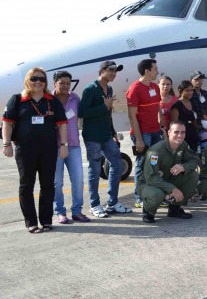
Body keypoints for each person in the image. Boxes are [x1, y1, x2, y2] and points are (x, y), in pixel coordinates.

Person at [2, 67, 68, 233]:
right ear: (28, 81)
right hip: (25, 150)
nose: (38, 82)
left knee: (47, 185)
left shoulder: (52, 101)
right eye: (34, 79)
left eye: (41, 79)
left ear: (45, 82)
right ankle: (31, 222)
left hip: (48, 149)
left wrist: (64, 146)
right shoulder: (17, 100)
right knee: (26, 185)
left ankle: (46, 221)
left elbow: (62, 124)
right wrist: (7, 144)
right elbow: (7, 123)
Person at [79, 60, 131, 218]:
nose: (113, 73)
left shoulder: (109, 88)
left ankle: (112, 202)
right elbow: (82, 112)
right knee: (94, 170)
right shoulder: (91, 89)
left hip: (106, 135)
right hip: (93, 136)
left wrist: (113, 130)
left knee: (116, 164)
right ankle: (94, 205)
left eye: (115, 71)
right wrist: (104, 106)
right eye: (110, 70)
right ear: (101, 71)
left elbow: (107, 113)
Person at [138, 121, 199, 223]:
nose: (180, 135)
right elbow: (151, 178)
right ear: (169, 132)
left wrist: (184, 166)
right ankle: (148, 211)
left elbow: (194, 160)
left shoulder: (182, 145)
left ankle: (175, 209)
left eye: (183, 132)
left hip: (168, 179)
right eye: (176, 132)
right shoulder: (156, 151)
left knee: (193, 175)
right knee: (157, 194)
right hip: (149, 183)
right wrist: (172, 189)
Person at [52, 71, 89, 224]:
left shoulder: (75, 98)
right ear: (55, 84)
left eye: (68, 83)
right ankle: (60, 212)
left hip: (74, 146)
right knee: (57, 182)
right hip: (55, 147)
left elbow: (82, 115)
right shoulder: (50, 100)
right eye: (62, 83)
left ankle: (77, 211)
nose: (66, 86)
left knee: (78, 179)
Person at [127, 58, 164, 208]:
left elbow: (158, 108)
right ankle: (139, 198)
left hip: (155, 132)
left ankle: (154, 194)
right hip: (143, 134)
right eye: (155, 69)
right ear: (147, 71)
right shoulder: (134, 89)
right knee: (141, 165)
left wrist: (162, 127)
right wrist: (139, 139)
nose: (157, 71)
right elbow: (131, 116)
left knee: (154, 164)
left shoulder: (154, 86)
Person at [170, 80, 200, 153]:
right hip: (181, 136)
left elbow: (195, 122)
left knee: (193, 156)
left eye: (191, 90)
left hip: (193, 135)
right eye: (187, 90)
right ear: (181, 91)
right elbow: (174, 124)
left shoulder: (193, 103)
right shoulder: (177, 105)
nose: (190, 92)